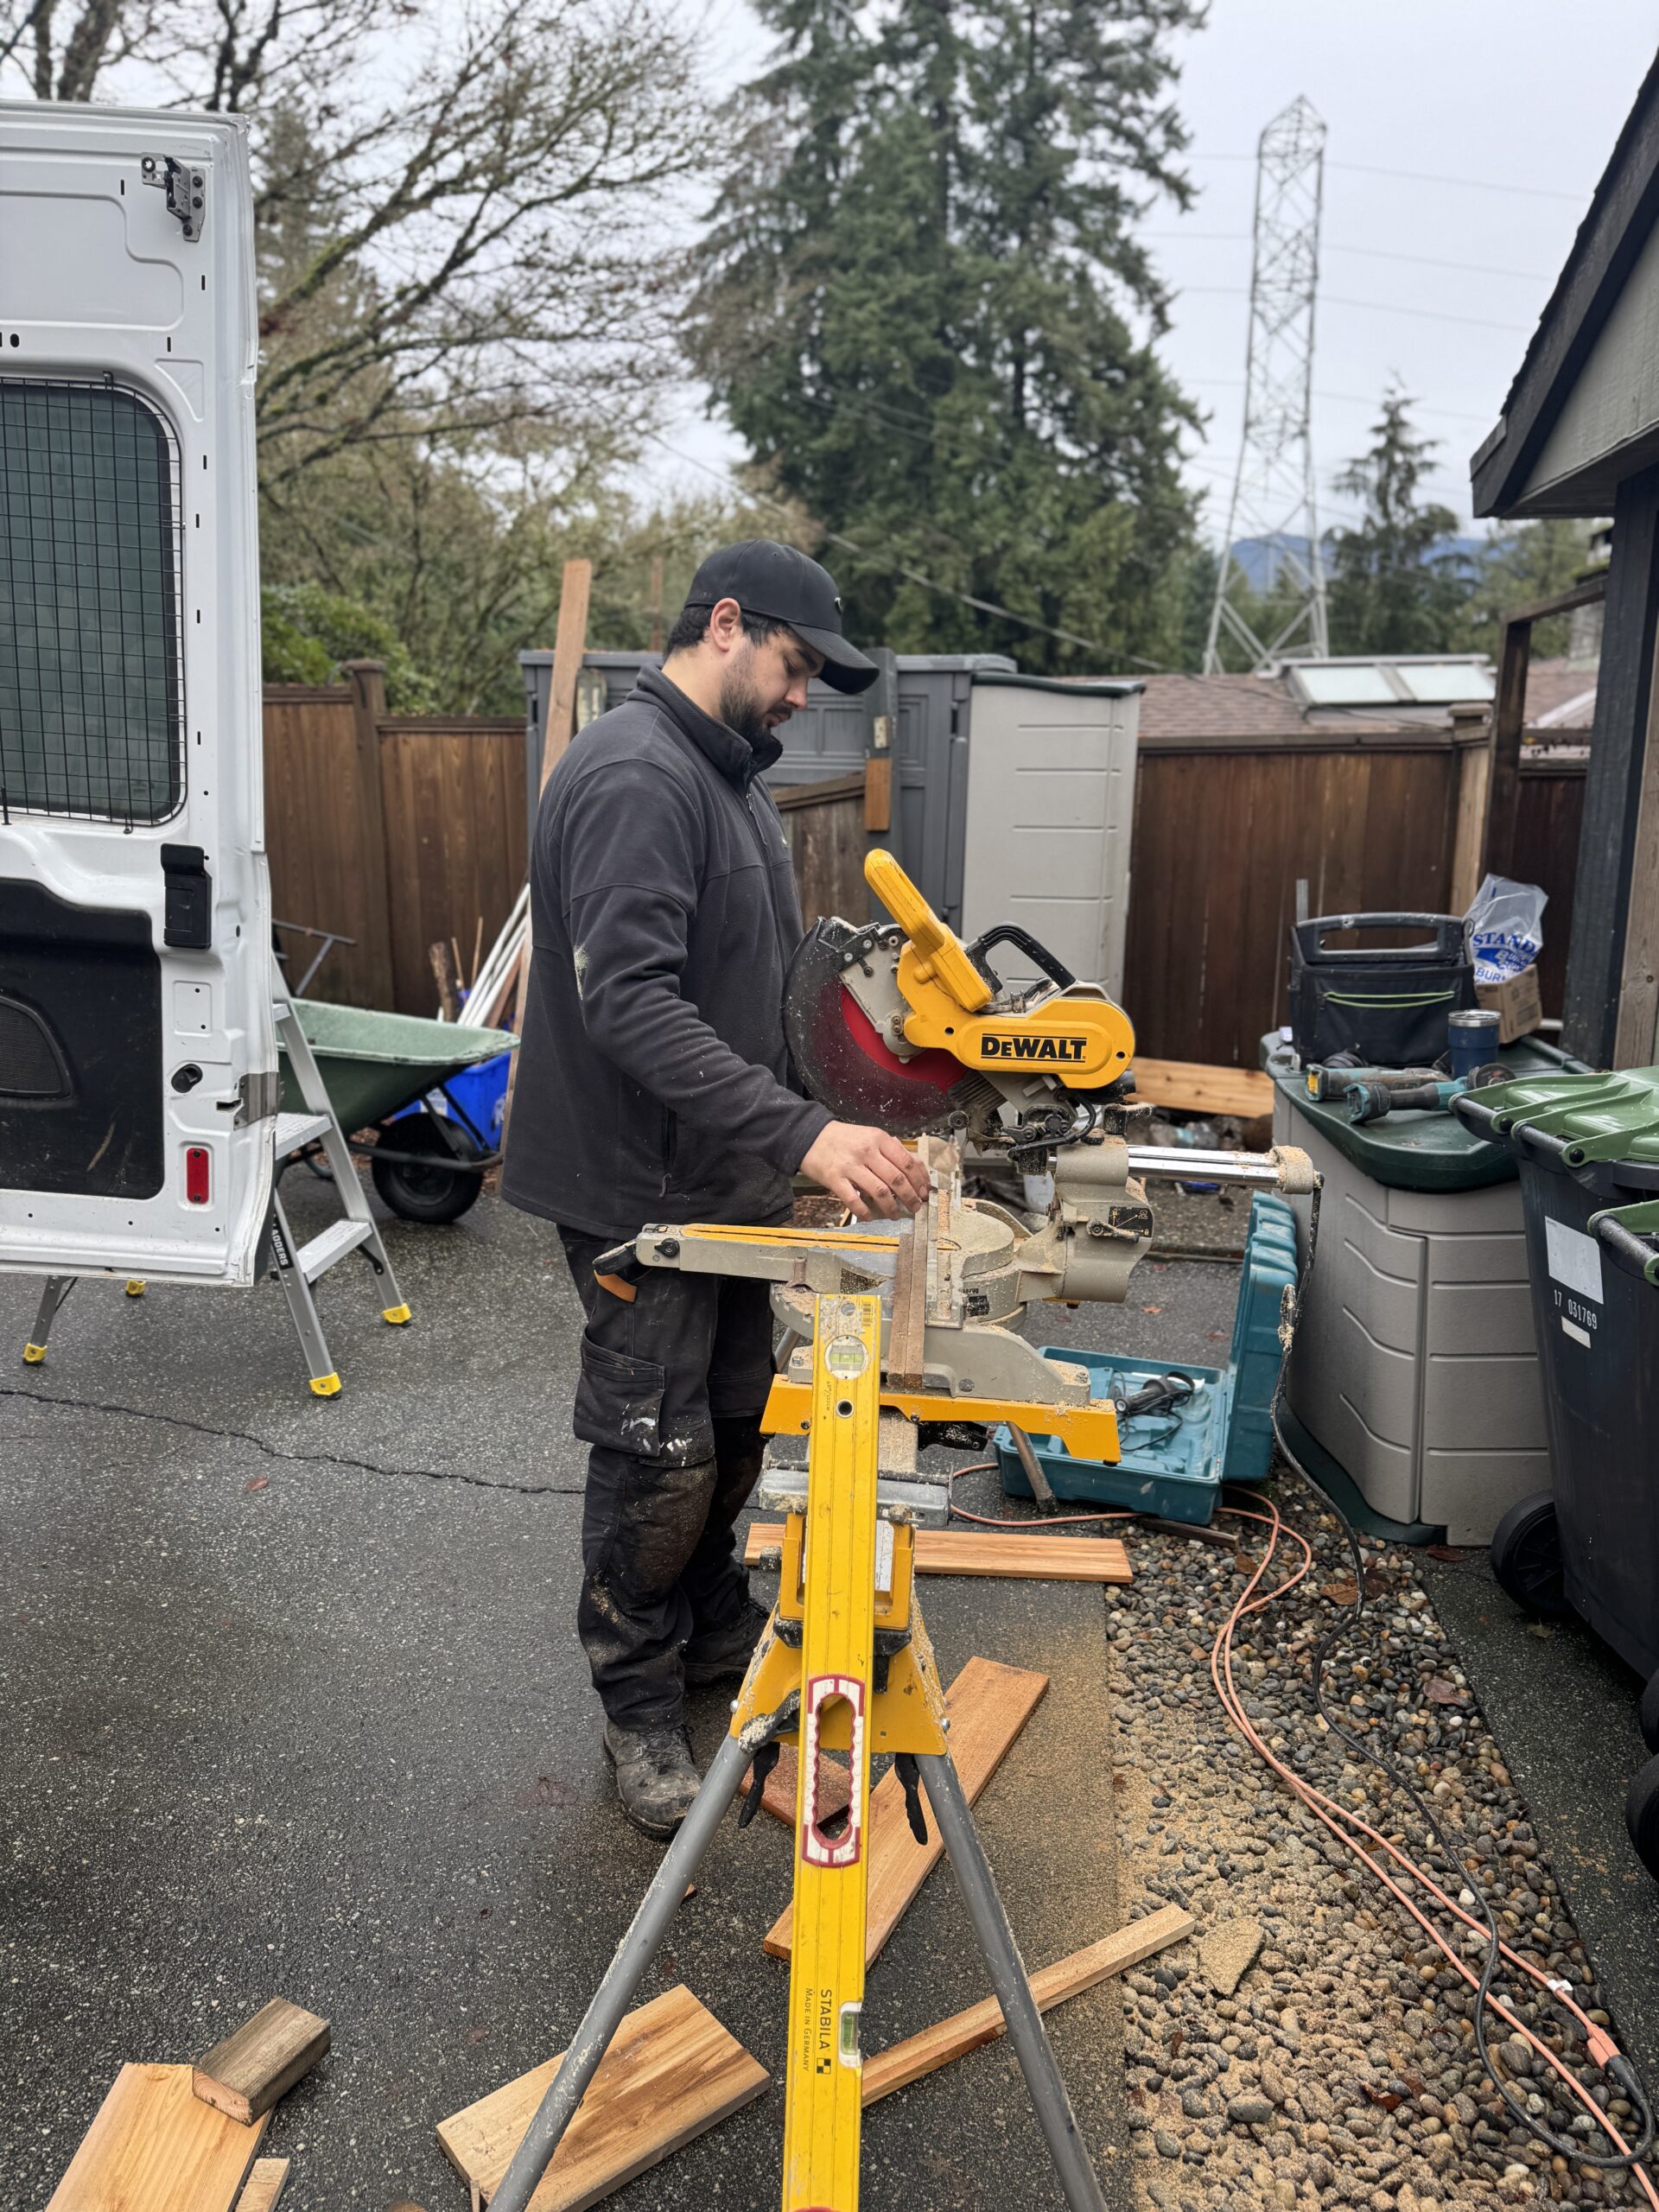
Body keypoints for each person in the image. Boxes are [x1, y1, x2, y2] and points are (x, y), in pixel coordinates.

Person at [502, 541, 931, 1838]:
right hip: (639, 1187)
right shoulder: (639, 775)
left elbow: (749, 984)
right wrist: (804, 1137)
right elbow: (627, 1003)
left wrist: (841, 1111)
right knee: (659, 1448)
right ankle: (636, 1705)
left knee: (742, 1415)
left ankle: (695, 1641)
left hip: (722, 1174)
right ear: (728, 625)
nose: (804, 696)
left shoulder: (728, 776)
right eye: (796, 667)